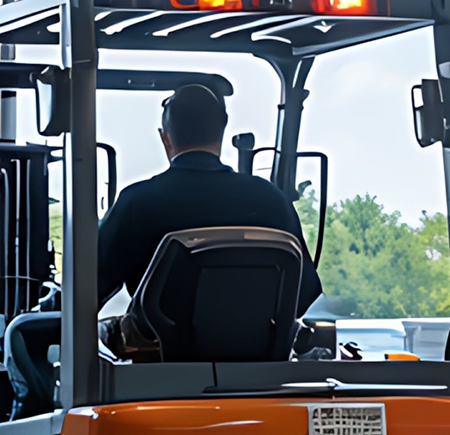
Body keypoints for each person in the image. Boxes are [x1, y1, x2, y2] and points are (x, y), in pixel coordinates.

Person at [96, 83, 321, 313]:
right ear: (221, 131)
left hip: (162, 348)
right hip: (256, 348)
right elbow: (305, 292)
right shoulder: (272, 199)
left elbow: (90, 287)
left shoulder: (135, 203)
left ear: (165, 138)